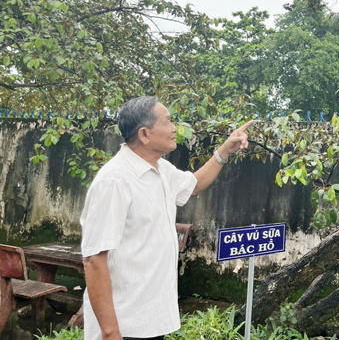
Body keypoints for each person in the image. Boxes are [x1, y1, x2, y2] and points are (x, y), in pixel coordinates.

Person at [80, 96, 254, 340]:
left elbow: (194, 185)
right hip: (124, 325)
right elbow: (94, 259)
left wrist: (225, 149)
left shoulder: (160, 169)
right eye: (168, 122)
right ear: (144, 134)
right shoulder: (115, 180)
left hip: (150, 320)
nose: (175, 128)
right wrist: (110, 333)